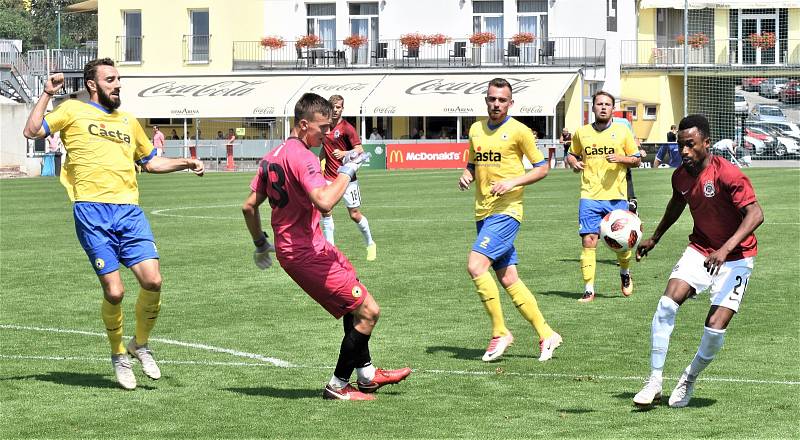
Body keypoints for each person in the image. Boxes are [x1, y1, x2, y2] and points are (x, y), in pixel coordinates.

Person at [22, 58, 205, 390]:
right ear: (93, 84)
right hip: (92, 213)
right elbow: (31, 131)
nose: (117, 84)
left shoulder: (129, 121)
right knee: (115, 291)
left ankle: (140, 344)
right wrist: (47, 94)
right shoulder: (72, 111)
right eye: (111, 79)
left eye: (119, 79)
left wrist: (185, 162)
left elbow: (150, 162)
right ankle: (119, 353)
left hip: (129, 213)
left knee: (153, 281)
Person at [241, 92, 411, 401]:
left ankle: (367, 374)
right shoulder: (303, 156)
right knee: (369, 311)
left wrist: (260, 242)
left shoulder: (273, 155)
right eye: (322, 128)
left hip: (310, 247)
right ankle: (337, 385)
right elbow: (324, 201)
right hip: (305, 254)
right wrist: (349, 170)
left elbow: (249, 207)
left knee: (356, 295)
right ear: (304, 125)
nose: (326, 134)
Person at [632, 114, 763, 408]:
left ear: (706, 143)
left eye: (690, 145)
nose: (685, 151)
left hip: (737, 257)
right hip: (701, 249)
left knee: (715, 327)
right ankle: (653, 382)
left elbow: (756, 214)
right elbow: (677, 203)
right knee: (666, 304)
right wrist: (655, 237)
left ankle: (689, 377)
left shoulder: (728, 174)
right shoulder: (680, 175)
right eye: (680, 146)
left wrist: (726, 249)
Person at [458, 77, 562, 363]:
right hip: (483, 211)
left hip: (507, 211)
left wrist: (513, 182)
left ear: (510, 103)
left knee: (476, 265)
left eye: (502, 100)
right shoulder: (476, 129)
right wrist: (467, 173)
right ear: (486, 100)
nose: (496, 104)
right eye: (492, 99)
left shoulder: (519, 131)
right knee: (508, 278)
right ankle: (547, 333)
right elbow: (473, 161)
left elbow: (542, 168)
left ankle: (500, 332)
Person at [566, 91, 641, 303]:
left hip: (616, 197)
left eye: (607, 104)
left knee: (623, 241)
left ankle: (625, 273)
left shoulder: (622, 132)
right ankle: (589, 289)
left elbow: (636, 159)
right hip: (589, 195)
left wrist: (621, 158)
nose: (603, 107)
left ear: (612, 108)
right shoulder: (582, 133)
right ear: (593, 107)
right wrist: (573, 162)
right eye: (599, 104)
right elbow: (572, 154)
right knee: (589, 241)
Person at [318, 95, 377, 261]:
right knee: (326, 210)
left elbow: (360, 149)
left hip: (348, 178)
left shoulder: (347, 128)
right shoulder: (324, 127)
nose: (335, 110)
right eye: (333, 107)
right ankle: (330, 250)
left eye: (338, 107)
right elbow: (325, 148)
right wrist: (320, 160)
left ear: (343, 108)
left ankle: (370, 243)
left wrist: (344, 153)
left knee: (354, 214)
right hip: (330, 177)